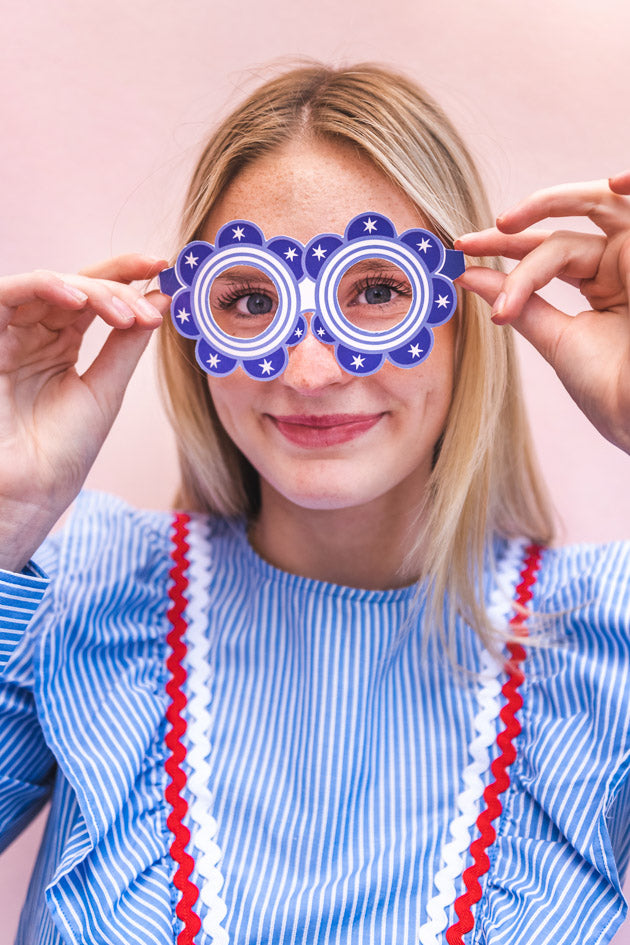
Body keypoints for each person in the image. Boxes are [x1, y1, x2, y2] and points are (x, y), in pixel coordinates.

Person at [0, 63, 628, 945]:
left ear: (471, 305)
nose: (311, 371)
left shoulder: (606, 649)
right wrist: (6, 512)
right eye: (252, 299)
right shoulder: (72, 604)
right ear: (196, 326)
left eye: (376, 290)